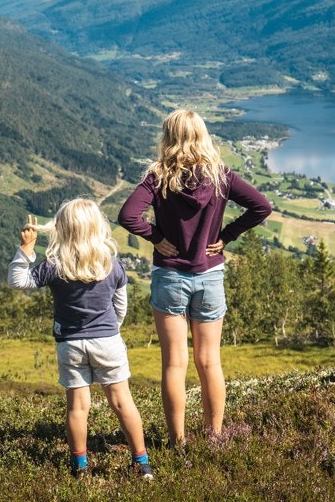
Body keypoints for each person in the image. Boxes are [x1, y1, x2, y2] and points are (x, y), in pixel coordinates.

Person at [117, 109, 272, 445]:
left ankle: (177, 442)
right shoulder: (221, 176)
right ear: (202, 135)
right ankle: (214, 437)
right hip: (210, 277)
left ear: (168, 138)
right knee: (209, 363)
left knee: (175, 365)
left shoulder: (158, 177)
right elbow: (262, 206)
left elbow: (128, 215)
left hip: (170, 277)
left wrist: (156, 237)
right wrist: (226, 236)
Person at [8, 199, 153, 480]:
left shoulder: (54, 265)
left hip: (71, 344)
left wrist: (26, 249)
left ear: (62, 229)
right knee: (123, 403)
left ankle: (80, 468)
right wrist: (110, 329)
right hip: (107, 341)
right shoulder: (112, 265)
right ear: (98, 227)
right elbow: (120, 306)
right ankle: (142, 464)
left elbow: (18, 281)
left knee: (77, 407)